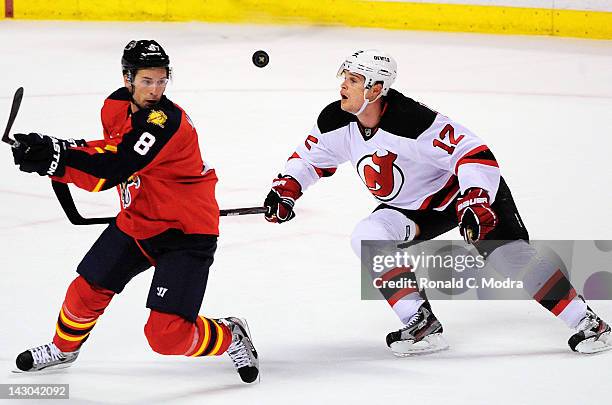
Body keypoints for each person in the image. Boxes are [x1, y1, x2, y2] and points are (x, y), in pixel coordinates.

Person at [263, 49, 611, 355]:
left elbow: (475, 153)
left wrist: (476, 200)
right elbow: (310, 158)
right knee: (368, 235)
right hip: (412, 208)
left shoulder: (413, 121)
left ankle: (588, 323)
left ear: (376, 89)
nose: (343, 86)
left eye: (354, 80)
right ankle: (422, 324)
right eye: (345, 78)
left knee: (509, 256)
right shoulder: (336, 120)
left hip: (462, 195)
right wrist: (288, 187)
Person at [11, 40, 259, 382]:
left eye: (161, 80)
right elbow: (110, 153)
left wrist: (57, 158)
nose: (155, 90)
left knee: (166, 335)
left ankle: (231, 334)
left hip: (186, 233)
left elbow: (117, 165)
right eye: (146, 81)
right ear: (127, 79)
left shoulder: (165, 123)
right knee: (85, 291)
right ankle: (64, 349)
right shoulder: (114, 106)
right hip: (139, 221)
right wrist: (57, 151)